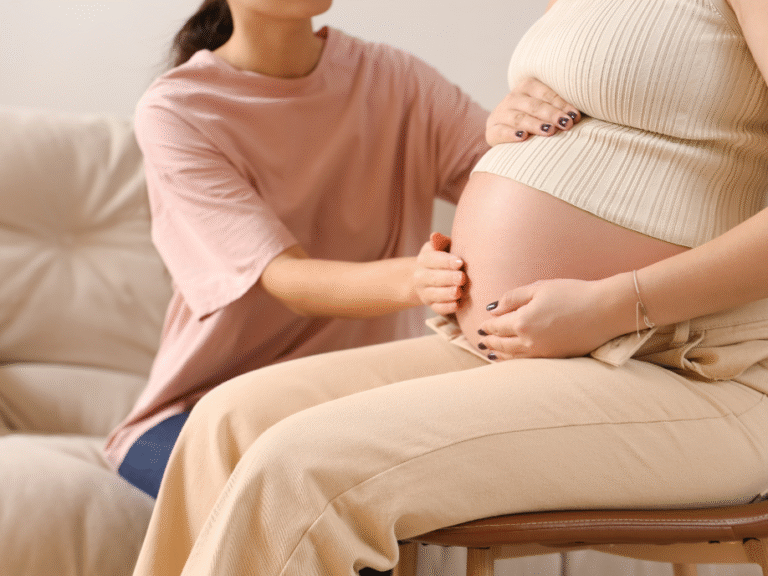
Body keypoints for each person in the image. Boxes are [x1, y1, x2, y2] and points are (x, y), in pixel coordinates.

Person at [131, 0, 768, 573]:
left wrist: (614, 304)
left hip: (688, 360)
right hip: (521, 347)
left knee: (297, 472)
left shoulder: (385, 77)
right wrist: (512, 129)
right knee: (226, 421)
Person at [105, 0, 580, 498]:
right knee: (289, 506)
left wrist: (517, 122)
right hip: (197, 414)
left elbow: (517, 193)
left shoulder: (393, 78)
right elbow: (288, 280)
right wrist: (416, 280)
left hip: (351, 409)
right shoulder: (179, 109)